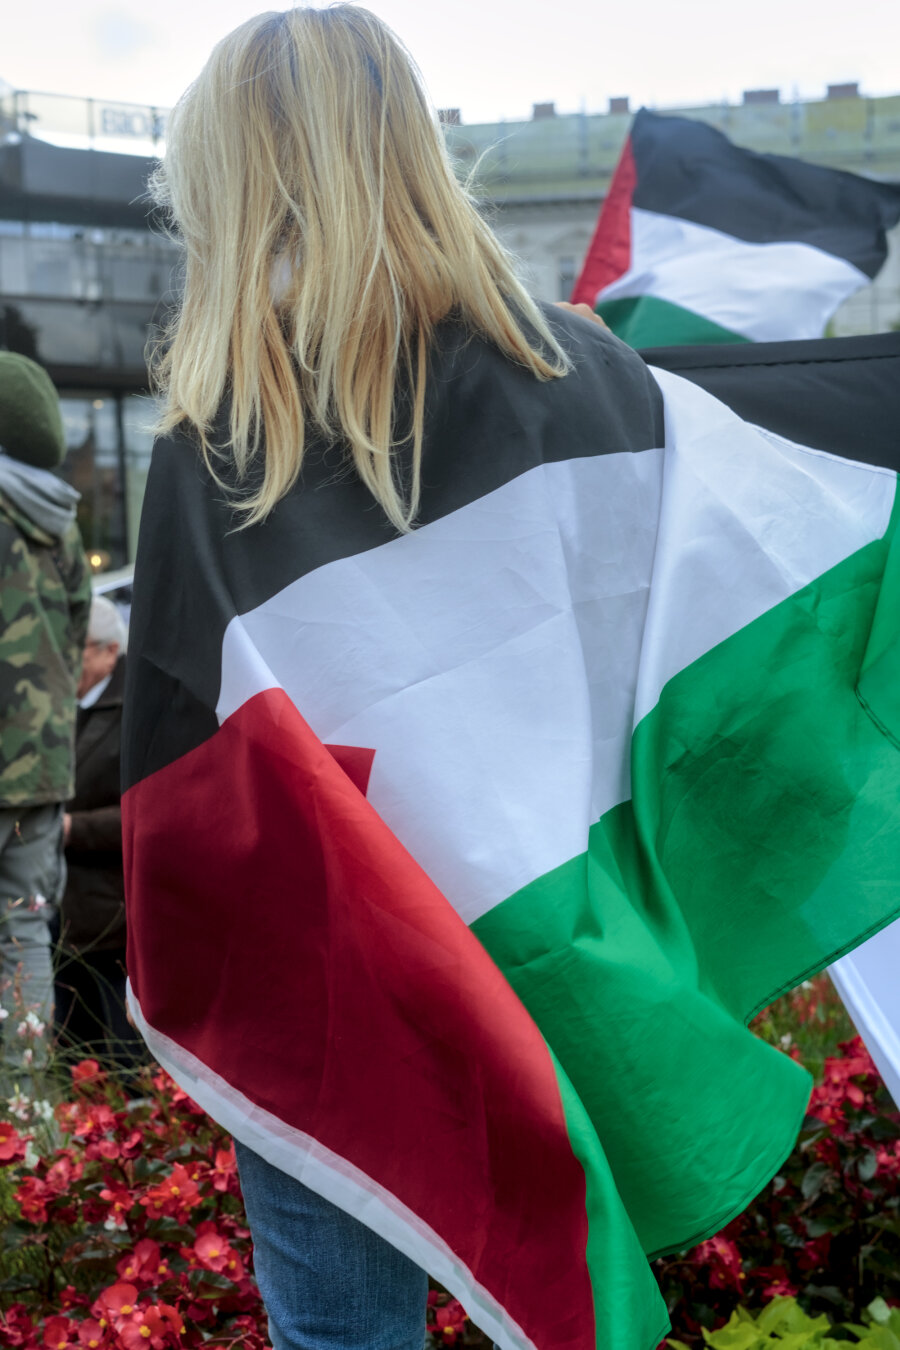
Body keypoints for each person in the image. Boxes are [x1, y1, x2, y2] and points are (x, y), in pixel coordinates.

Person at [123, 10, 900, 1350]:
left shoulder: (218, 452)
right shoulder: (581, 379)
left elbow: (192, 798)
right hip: (561, 952)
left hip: (343, 982)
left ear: (231, 184)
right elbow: (734, 589)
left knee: (342, 1333)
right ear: (412, 149)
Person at [0, 351, 91, 1092]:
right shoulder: (59, 525)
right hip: (40, 772)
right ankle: (26, 1116)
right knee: (24, 929)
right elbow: (76, 641)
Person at [54, 595, 140, 1073]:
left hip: (116, 923)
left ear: (110, 650)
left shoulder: (136, 708)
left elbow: (149, 810)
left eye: (74, 647)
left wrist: (72, 829)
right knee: (77, 1068)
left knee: (129, 1065)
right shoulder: (59, 707)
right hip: (65, 922)